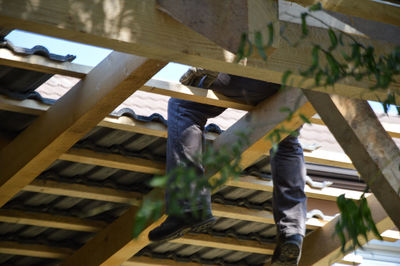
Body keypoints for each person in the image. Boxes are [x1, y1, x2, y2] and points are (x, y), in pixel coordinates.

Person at [148, 69, 307, 266]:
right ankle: (292, 232)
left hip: (258, 72)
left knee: (183, 104)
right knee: (286, 138)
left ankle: (188, 204)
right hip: (300, 83)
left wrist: (206, 67)